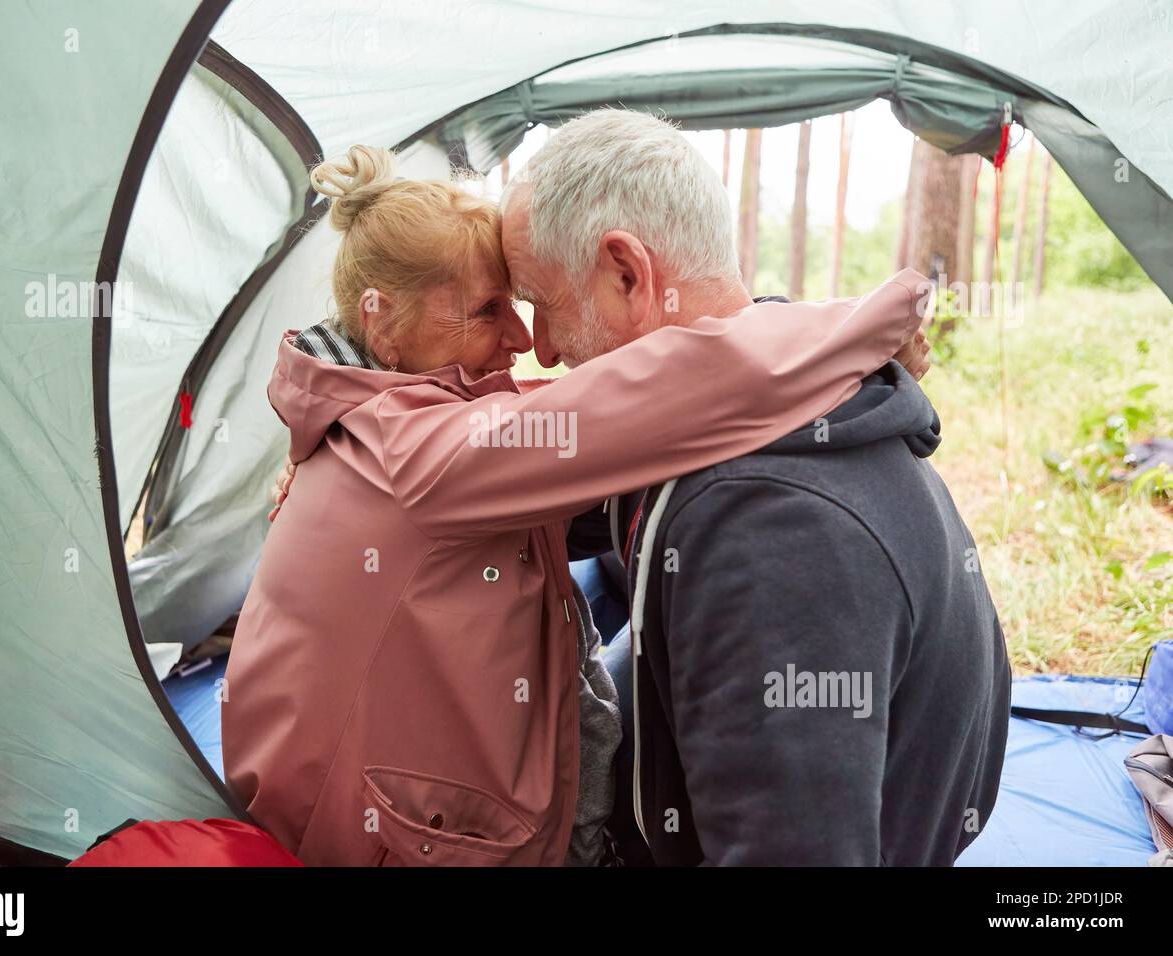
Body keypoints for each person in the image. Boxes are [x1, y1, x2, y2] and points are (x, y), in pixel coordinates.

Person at [224, 137, 929, 866]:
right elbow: (667, 390)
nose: (525, 340)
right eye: (489, 308)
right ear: (382, 322)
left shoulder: (387, 421)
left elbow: (598, 406)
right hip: (360, 833)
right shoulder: (421, 458)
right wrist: (870, 325)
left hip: (343, 803)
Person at [493, 108, 1009, 866]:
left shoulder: (768, 535)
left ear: (628, 274)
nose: (539, 345)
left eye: (543, 302)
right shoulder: (719, 401)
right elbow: (548, 505)